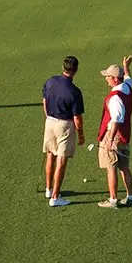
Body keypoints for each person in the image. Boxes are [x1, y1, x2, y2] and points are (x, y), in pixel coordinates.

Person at [42, 56, 85, 208]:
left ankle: (48, 189)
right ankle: (55, 197)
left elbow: (44, 102)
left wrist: (48, 117)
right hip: (64, 125)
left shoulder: (50, 81)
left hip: (50, 122)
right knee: (61, 160)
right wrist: (81, 135)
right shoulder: (74, 92)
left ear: (63, 67)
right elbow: (77, 118)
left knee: (50, 156)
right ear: (76, 70)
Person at [97, 55, 132, 209]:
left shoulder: (115, 97)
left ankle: (113, 199)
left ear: (114, 79)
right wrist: (126, 66)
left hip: (114, 134)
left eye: (108, 76)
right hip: (125, 135)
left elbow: (116, 120)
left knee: (111, 167)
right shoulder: (126, 87)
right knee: (124, 167)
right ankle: (130, 196)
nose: (106, 79)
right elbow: (128, 78)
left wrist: (110, 140)